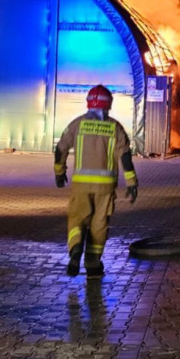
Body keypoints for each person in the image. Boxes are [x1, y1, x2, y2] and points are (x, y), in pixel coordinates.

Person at [54, 84, 139, 278]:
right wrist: (132, 183)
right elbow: (125, 157)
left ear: (88, 103)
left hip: (81, 185)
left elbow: (60, 149)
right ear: (108, 104)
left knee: (77, 218)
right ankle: (93, 265)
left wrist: (59, 172)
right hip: (105, 187)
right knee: (99, 224)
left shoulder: (77, 125)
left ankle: (75, 249)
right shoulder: (115, 127)